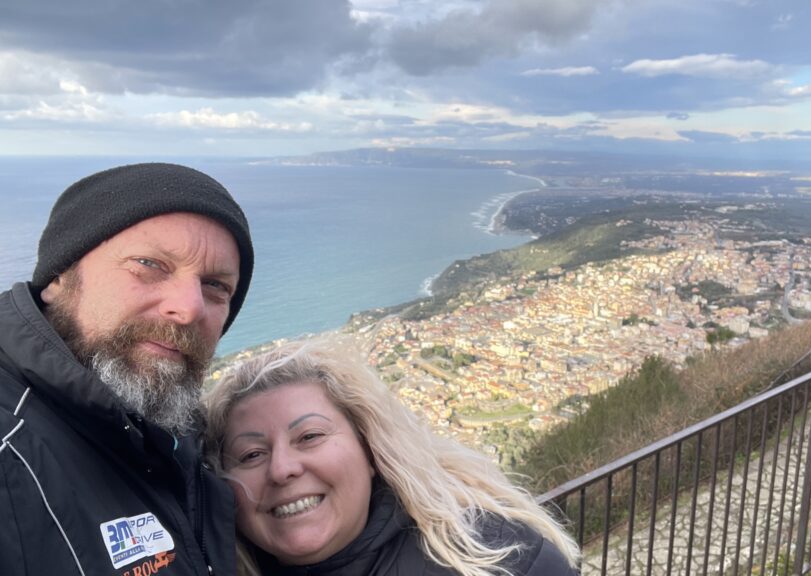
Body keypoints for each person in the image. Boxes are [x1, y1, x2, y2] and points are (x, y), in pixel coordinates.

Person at [0, 163, 254, 575]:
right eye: (148, 264)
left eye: (216, 286)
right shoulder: (10, 452)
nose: (189, 308)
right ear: (59, 277)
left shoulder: (182, 438)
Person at [204, 342, 580, 576]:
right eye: (252, 454)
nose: (282, 468)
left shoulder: (504, 561)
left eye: (310, 436)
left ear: (370, 450)